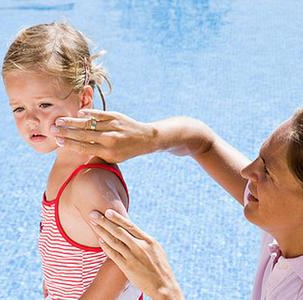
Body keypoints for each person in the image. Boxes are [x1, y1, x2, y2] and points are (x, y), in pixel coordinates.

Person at [49, 108, 303, 300]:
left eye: (268, 172)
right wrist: (148, 137)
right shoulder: (283, 221)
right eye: (259, 157)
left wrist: (164, 289)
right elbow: (202, 142)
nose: (248, 172)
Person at [2, 22, 143, 300]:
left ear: (84, 98)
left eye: (44, 105)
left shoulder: (89, 182)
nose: (31, 119)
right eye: (19, 108)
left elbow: (126, 258)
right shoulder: (66, 162)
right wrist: (54, 281)